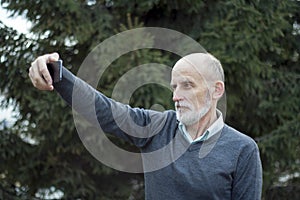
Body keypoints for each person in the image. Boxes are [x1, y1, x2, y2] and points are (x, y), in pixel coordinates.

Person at [29, 52, 263, 199]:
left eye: (187, 85)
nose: (176, 96)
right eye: (174, 87)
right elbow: (103, 109)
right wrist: (56, 73)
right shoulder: (156, 127)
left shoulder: (243, 149)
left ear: (216, 90)